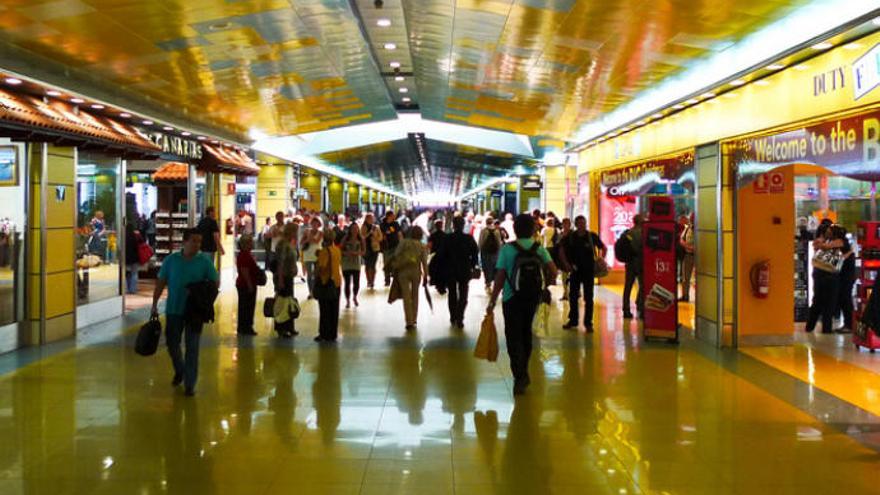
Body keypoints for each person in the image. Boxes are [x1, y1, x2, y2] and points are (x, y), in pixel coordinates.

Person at [487, 214, 557, 396]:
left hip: (511, 298)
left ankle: (520, 376)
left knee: (513, 336)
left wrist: (493, 299)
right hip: (532, 297)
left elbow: (500, 276)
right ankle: (523, 369)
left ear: (515, 229)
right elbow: (553, 270)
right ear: (533, 230)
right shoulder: (538, 248)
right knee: (526, 333)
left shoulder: (507, 249)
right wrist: (545, 286)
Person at [150, 228, 219, 396]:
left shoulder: (204, 262)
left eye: (199, 242)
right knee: (172, 344)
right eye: (194, 241)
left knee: (192, 347)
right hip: (174, 309)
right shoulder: (171, 261)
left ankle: (190, 384)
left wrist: (202, 295)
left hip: (194, 312)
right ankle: (180, 369)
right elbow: (161, 281)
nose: (197, 245)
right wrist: (154, 303)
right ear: (184, 241)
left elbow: (215, 283)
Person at [559, 215, 606, 332]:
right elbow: (560, 249)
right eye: (579, 223)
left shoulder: (591, 236)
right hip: (575, 271)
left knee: (588, 297)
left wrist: (600, 258)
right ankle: (573, 320)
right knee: (573, 296)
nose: (581, 225)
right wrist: (566, 264)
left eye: (583, 223)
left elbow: (602, 247)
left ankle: (588, 323)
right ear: (575, 224)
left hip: (589, 271)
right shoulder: (571, 237)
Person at [437, 216, 479, 328]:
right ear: (463, 225)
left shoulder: (447, 238)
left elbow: (441, 255)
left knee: (452, 293)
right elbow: (475, 253)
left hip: (450, 270)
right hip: (465, 270)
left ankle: (453, 316)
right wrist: (472, 265)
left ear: (453, 225)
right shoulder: (469, 238)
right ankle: (460, 317)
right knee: (463, 294)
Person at [806, 220, 843, 334]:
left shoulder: (824, 241)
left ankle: (810, 326)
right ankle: (826, 328)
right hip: (830, 274)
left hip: (819, 273)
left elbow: (818, 246)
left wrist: (822, 244)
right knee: (828, 302)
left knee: (818, 300)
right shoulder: (836, 242)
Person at [391, 226, 429, 331]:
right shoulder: (422, 246)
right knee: (415, 295)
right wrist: (426, 275)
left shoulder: (404, 243)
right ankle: (414, 318)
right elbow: (424, 262)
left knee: (406, 297)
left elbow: (396, 254)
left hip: (403, 271)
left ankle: (409, 321)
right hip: (416, 271)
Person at [315, 230, 342, 342]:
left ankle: (324, 334)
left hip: (326, 282)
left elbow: (322, 267)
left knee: (325, 310)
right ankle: (333, 333)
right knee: (334, 310)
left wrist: (316, 273)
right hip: (337, 281)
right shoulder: (336, 250)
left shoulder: (324, 251)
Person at [274, 222, 300, 338]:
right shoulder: (283, 244)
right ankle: (281, 327)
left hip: (289, 276)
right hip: (283, 276)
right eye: (295, 231)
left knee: (289, 301)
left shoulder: (289, 243)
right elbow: (280, 263)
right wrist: (280, 280)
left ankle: (289, 326)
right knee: (283, 302)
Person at [235, 234, 261, 335]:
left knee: (244, 306)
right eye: (250, 242)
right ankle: (246, 327)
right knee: (247, 306)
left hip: (243, 283)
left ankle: (243, 327)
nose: (252, 243)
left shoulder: (245, 254)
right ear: (246, 244)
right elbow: (244, 271)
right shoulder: (245, 255)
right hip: (245, 285)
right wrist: (250, 284)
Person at [621, 214, 645, 319]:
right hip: (640, 262)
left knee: (628, 286)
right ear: (640, 221)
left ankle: (626, 310)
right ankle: (640, 305)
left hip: (629, 263)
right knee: (643, 285)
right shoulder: (643, 233)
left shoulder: (628, 232)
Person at [836, 225, 856, 333]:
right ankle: (848, 324)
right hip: (845, 275)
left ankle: (849, 324)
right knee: (844, 299)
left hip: (846, 276)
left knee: (845, 299)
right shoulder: (845, 244)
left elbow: (825, 246)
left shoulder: (841, 242)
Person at [340, 223, 364, 308]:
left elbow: (364, 251)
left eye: (356, 228)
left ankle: (355, 296)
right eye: (353, 228)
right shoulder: (345, 238)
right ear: (350, 229)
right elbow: (340, 249)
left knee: (356, 282)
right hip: (346, 263)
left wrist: (357, 253)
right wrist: (346, 253)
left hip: (356, 263)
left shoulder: (361, 239)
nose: (354, 230)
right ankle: (347, 300)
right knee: (347, 283)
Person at [478, 218, 503, 293]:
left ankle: (488, 284)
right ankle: (493, 282)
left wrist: (479, 250)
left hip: (485, 252)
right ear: (492, 222)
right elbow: (499, 243)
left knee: (486, 267)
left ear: (486, 222)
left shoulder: (483, 231)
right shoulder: (496, 231)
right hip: (495, 253)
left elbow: (480, 242)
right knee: (494, 267)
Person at [301, 217, 324, 298]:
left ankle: (316, 290)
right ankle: (310, 292)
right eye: (313, 223)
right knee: (309, 275)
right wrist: (308, 239)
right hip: (308, 255)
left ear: (319, 224)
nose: (314, 225)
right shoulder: (306, 231)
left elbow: (317, 241)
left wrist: (309, 238)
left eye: (316, 223)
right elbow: (301, 242)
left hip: (317, 255)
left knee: (317, 275)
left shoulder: (321, 232)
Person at [381, 211, 403, 287]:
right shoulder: (383, 224)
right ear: (389, 216)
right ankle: (387, 280)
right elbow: (382, 235)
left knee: (395, 262)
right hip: (386, 247)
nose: (394, 216)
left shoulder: (396, 224)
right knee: (386, 263)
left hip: (395, 246)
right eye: (393, 215)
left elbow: (399, 234)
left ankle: (395, 278)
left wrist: (401, 244)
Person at [362, 213, 382, 289]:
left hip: (375, 248)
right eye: (370, 218)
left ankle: (372, 281)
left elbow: (380, 238)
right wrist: (369, 233)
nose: (371, 220)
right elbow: (362, 237)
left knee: (373, 265)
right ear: (366, 219)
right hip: (366, 248)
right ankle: (368, 281)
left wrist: (374, 236)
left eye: (372, 218)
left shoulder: (376, 227)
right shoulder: (363, 227)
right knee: (367, 265)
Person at [679, 214, 695, 302]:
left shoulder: (701, 229)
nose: (691, 219)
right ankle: (685, 296)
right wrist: (687, 246)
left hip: (699, 256)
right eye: (691, 218)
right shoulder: (688, 228)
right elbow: (681, 239)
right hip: (688, 255)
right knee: (685, 277)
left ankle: (700, 298)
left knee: (699, 278)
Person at [124, 221, 141, 294]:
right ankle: (133, 289)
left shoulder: (124, 236)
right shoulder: (135, 236)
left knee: (126, 274)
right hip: (134, 258)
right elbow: (138, 247)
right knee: (134, 274)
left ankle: (126, 289)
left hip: (126, 258)